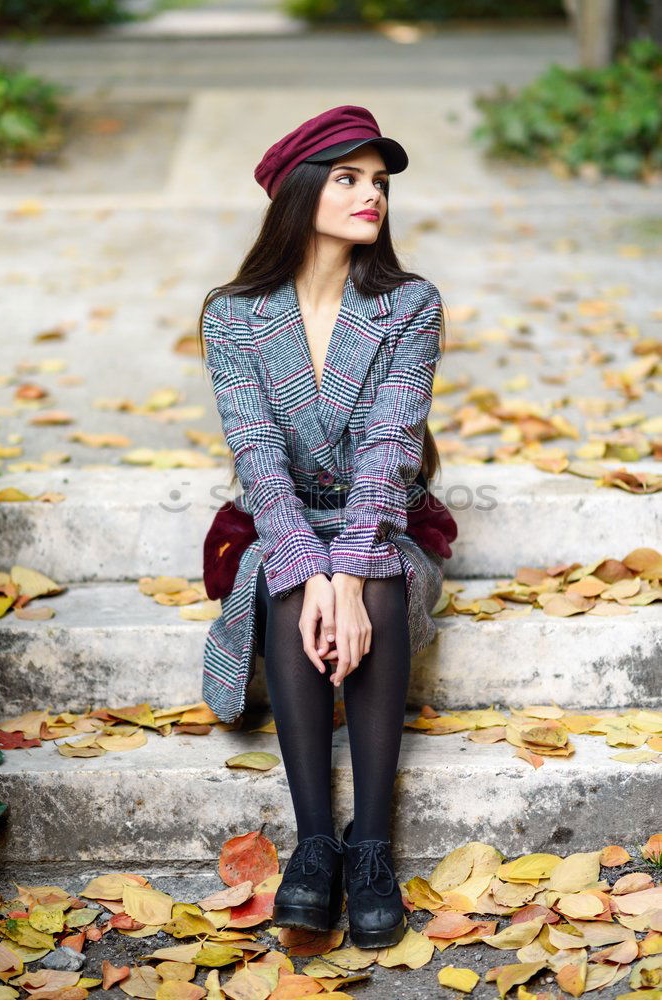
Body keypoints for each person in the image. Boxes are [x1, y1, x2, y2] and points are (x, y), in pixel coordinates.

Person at [197, 106, 447, 949]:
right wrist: (308, 567)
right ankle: (314, 844)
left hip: (384, 520)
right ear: (299, 192)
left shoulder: (408, 304)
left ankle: (369, 845)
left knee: (369, 578)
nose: (370, 195)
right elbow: (257, 454)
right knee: (283, 576)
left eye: (378, 182)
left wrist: (346, 573)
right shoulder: (232, 316)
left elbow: (388, 453)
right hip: (283, 518)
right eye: (347, 178)